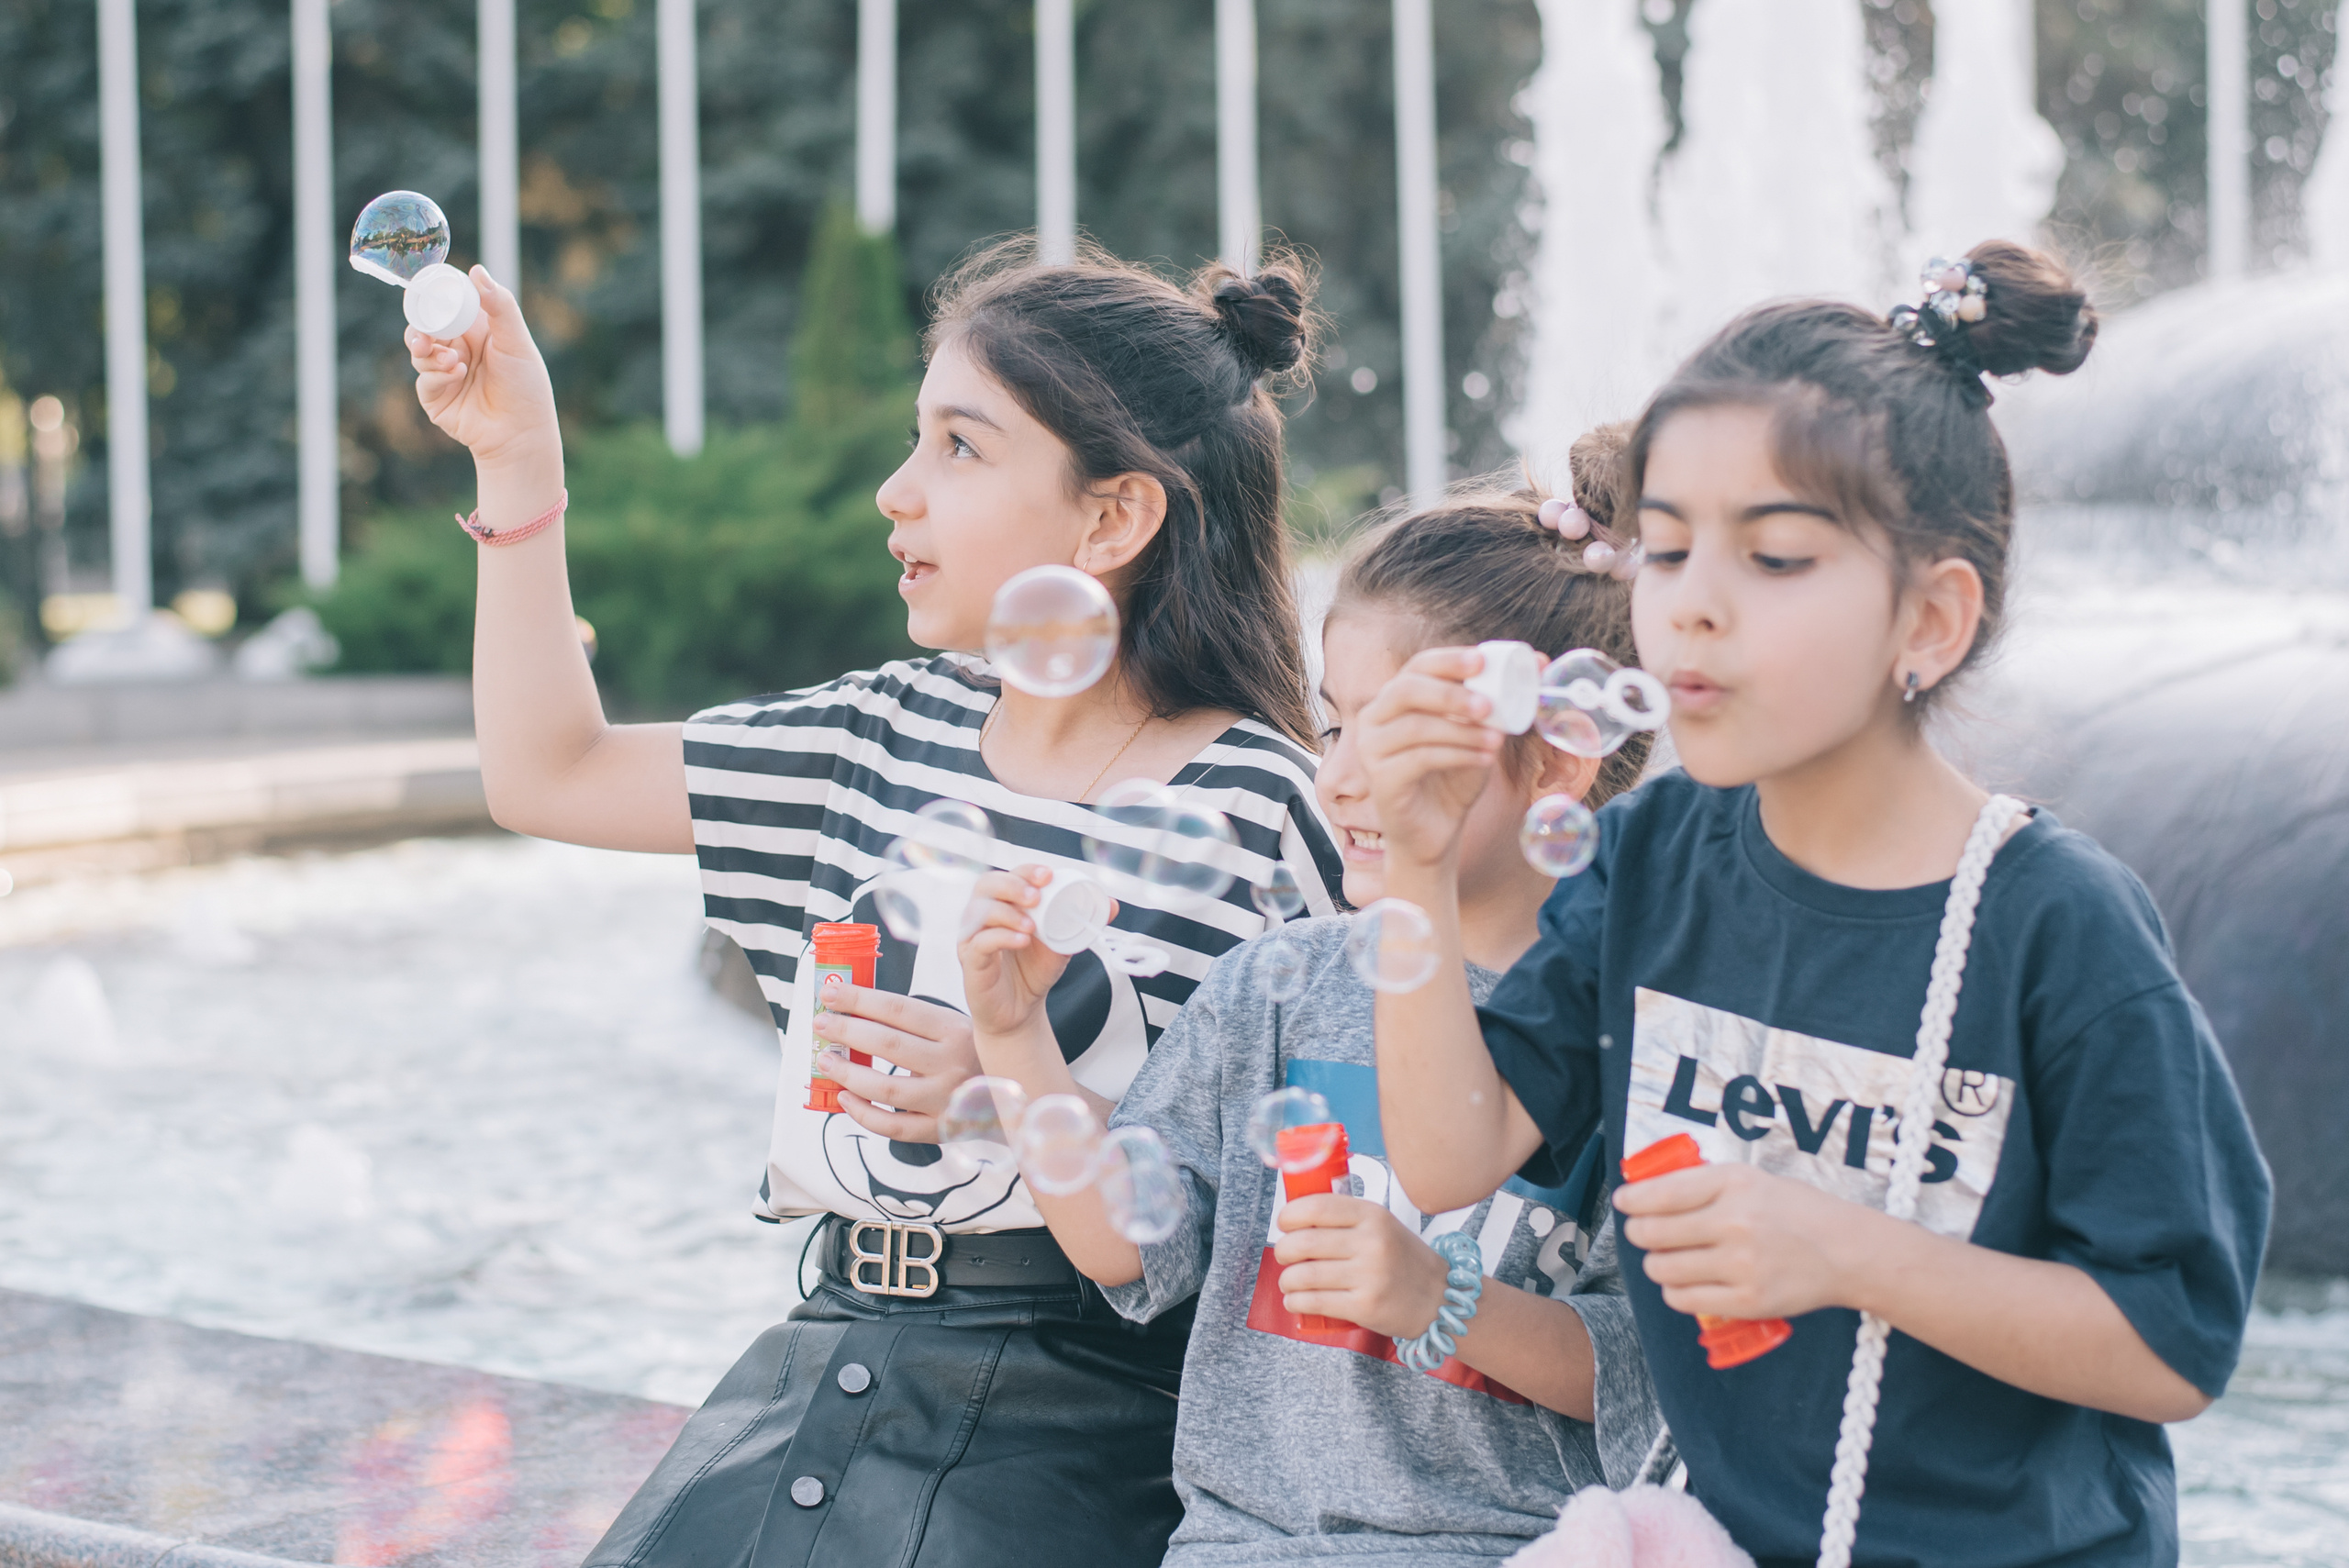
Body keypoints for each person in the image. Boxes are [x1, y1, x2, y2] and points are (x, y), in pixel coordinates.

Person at [402, 237, 1345, 1568]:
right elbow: (548, 772)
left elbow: (1310, 1211)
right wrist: (516, 461)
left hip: (1079, 1444)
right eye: (918, 438)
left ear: (1111, 520)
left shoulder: (1263, 809)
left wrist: (1018, 1076)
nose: (896, 491)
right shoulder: (878, 732)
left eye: (959, 447)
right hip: (823, 1369)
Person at [1356, 240, 2272, 1567]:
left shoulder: (2054, 923)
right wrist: (1419, 864)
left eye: (1775, 556)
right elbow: (1449, 1156)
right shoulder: (1649, 855)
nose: (1692, 608)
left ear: (1930, 621)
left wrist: (1850, 1252)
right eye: (1666, 550)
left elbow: (2172, 1348)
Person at [952, 448, 1666, 1563]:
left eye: (1398, 734)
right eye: (1337, 728)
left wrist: (1438, 1296)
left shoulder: (1636, 1027)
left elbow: (1647, 1374)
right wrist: (1012, 1032)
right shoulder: (1276, 986)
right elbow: (1125, 1241)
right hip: (1240, 1545)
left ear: (1557, 763)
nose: (1337, 777)